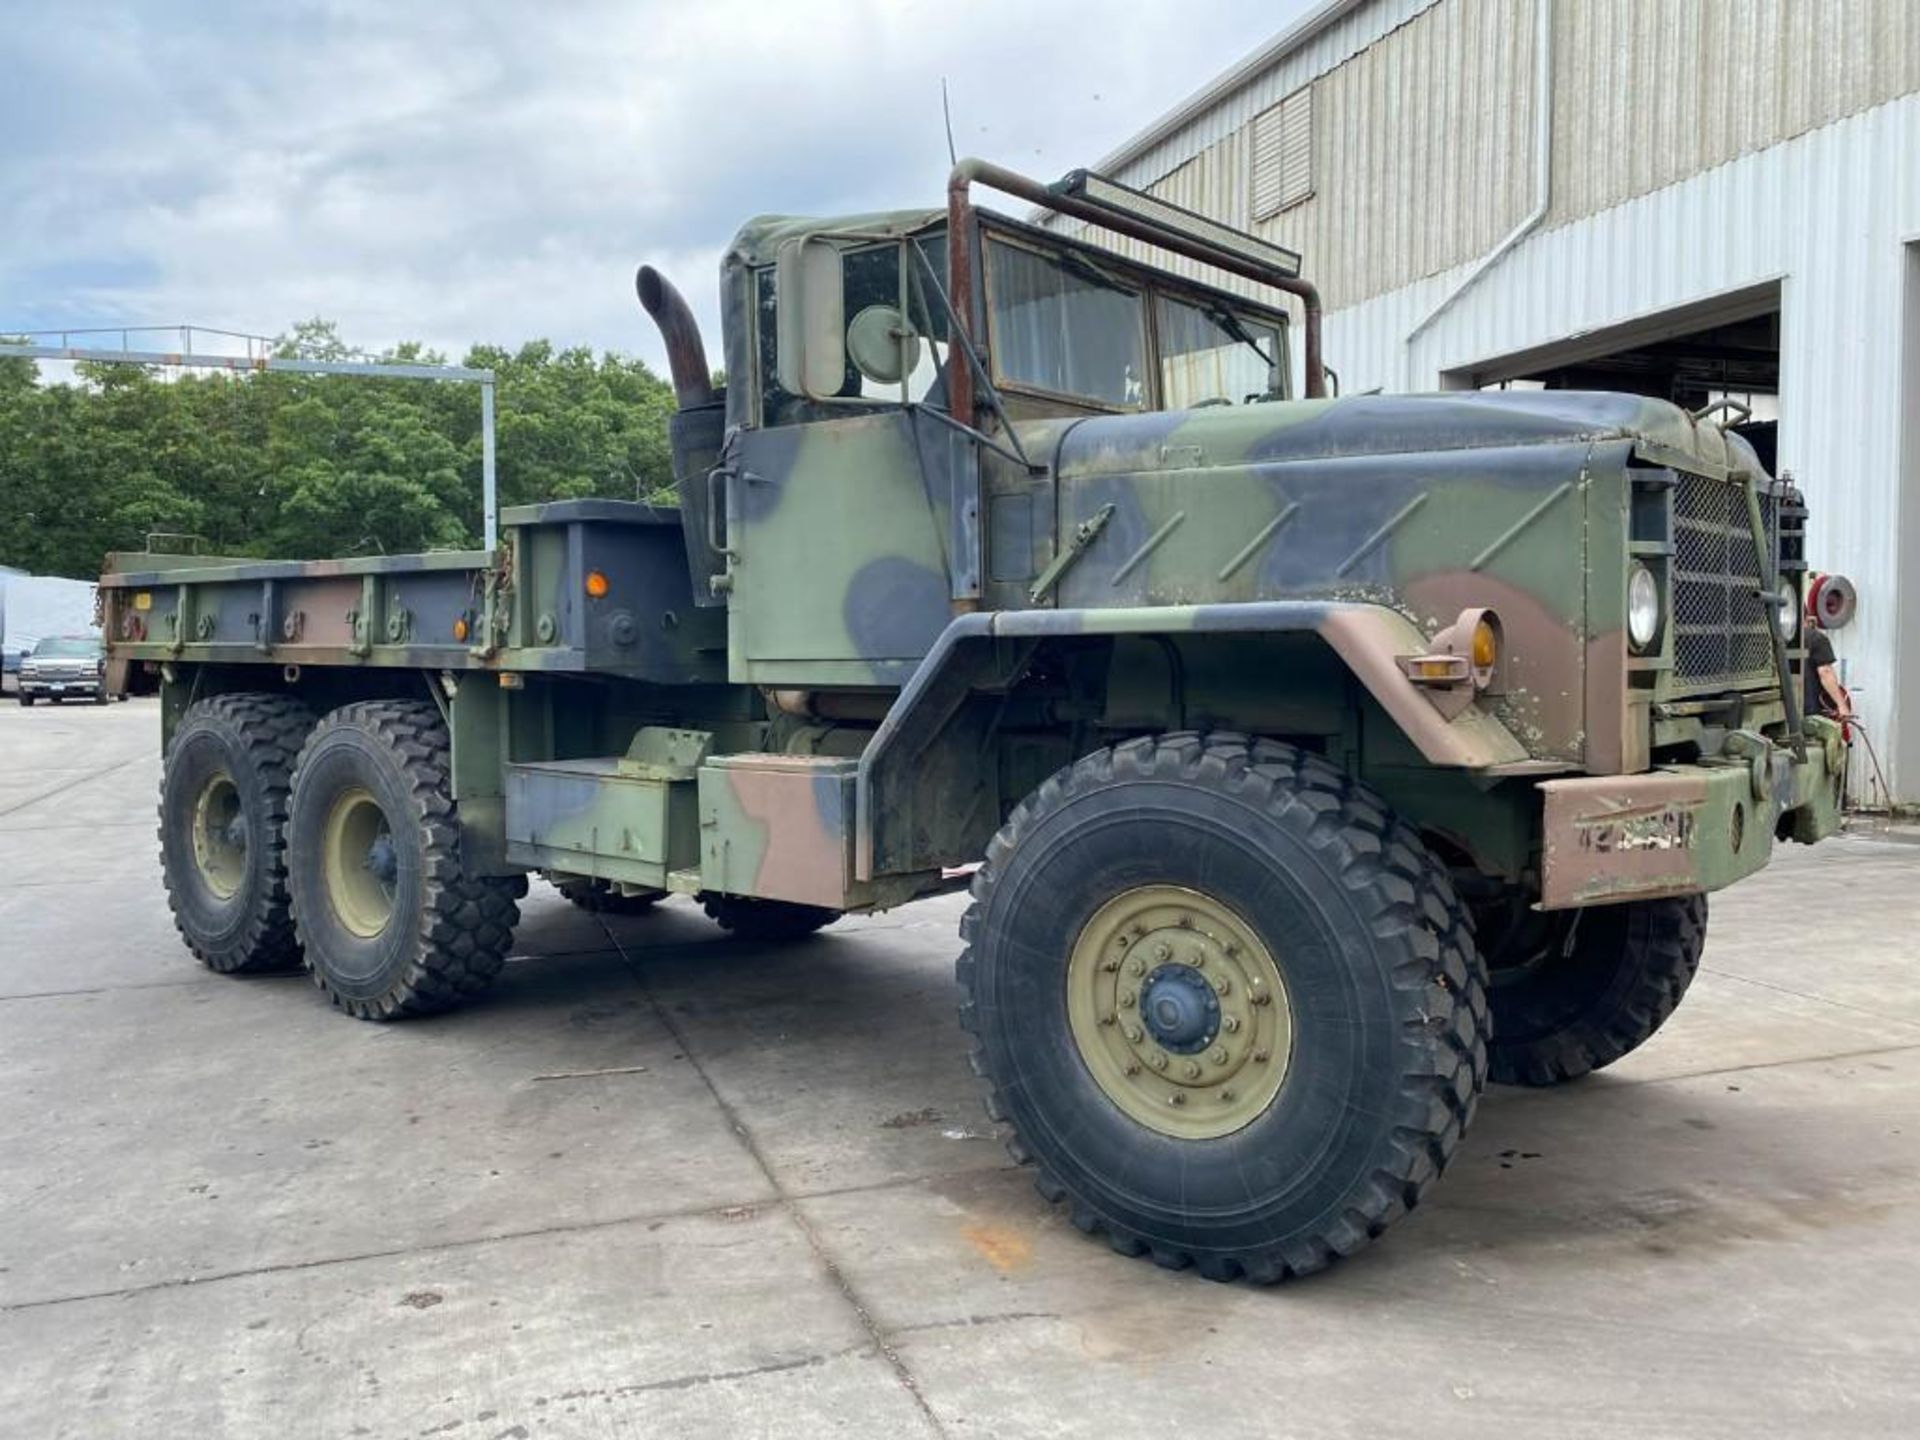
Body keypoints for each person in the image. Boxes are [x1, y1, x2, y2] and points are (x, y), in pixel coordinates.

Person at [1803, 605, 1852, 724]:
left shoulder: (1775, 639)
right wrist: (1842, 705)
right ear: (1806, 617)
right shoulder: (1817, 638)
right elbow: (1825, 672)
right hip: (1811, 714)